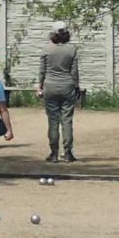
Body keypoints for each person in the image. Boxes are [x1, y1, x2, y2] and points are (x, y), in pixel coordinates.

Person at [38, 21, 80, 163]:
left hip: (50, 86)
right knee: (67, 120)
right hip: (67, 85)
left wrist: (40, 86)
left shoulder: (46, 49)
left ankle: (54, 153)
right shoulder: (72, 49)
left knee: (53, 120)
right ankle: (68, 153)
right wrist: (76, 86)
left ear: (53, 34)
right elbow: (74, 72)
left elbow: (42, 71)